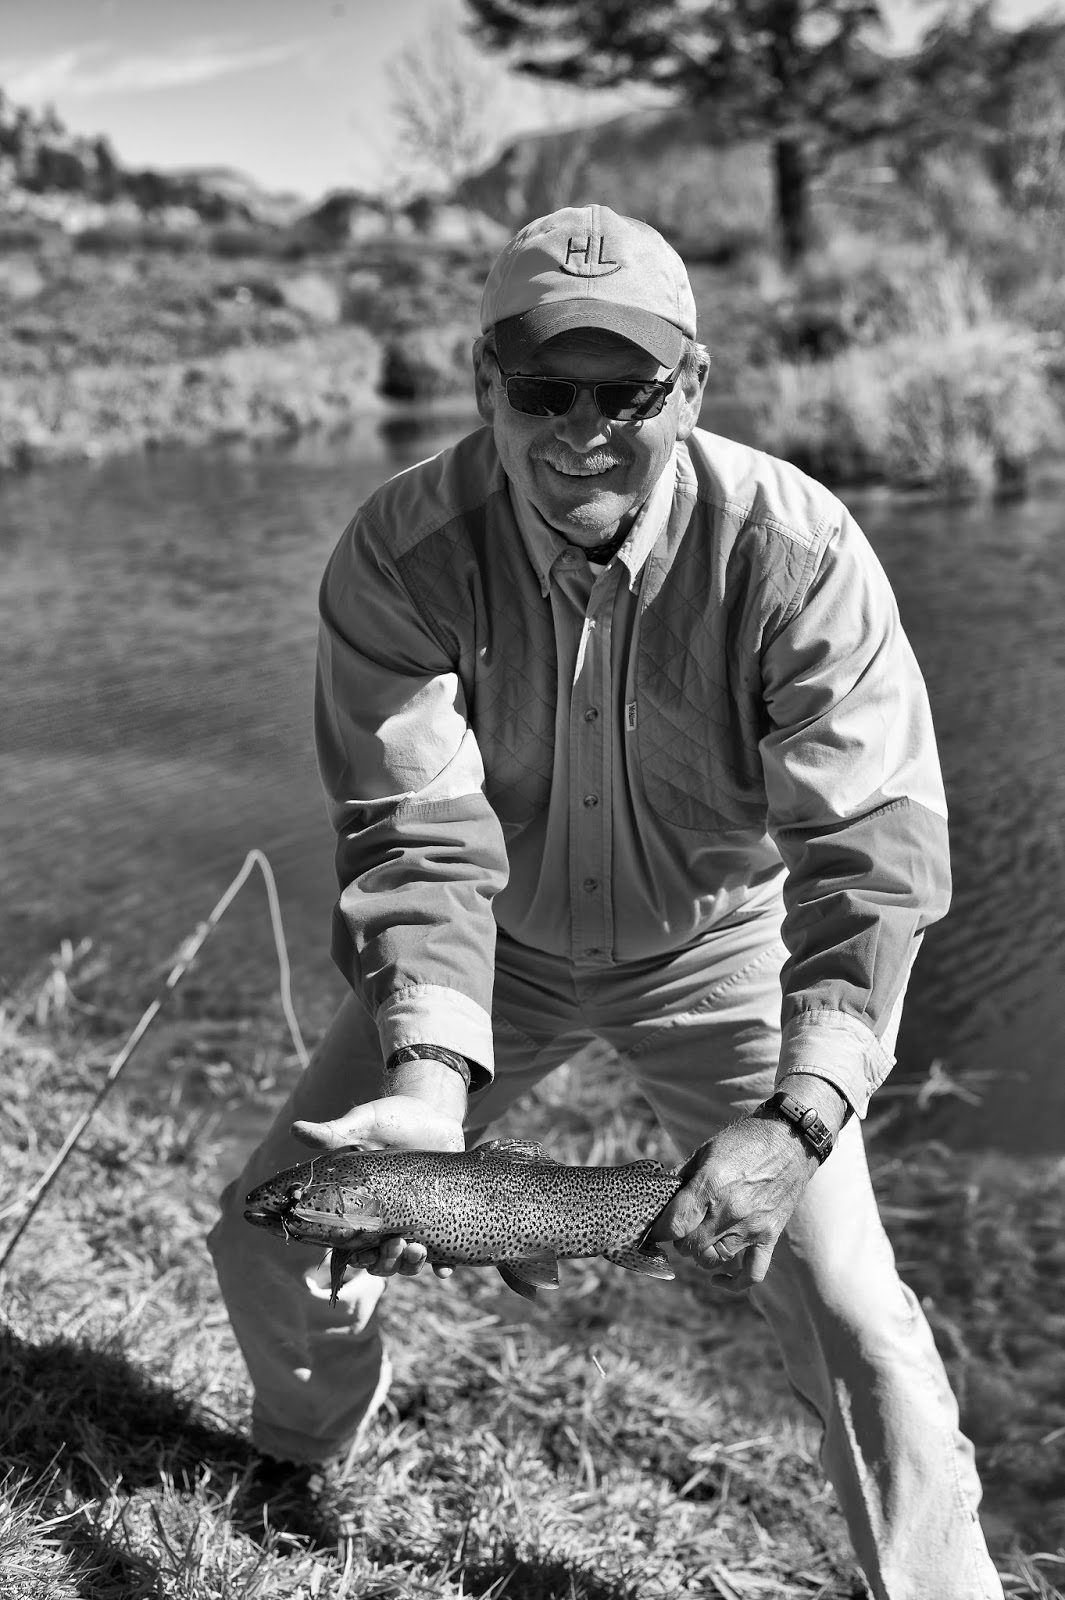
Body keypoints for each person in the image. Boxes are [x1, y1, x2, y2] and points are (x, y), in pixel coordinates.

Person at [208, 204, 1003, 1600]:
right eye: (541, 387)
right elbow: (415, 833)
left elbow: (868, 852)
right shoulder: (401, 551)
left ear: (691, 386)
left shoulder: (797, 552)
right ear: (482, 383)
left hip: (719, 951)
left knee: (858, 1325)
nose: (581, 429)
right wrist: (428, 1094)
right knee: (266, 1234)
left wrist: (799, 1115)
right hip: (493, 957)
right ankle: (299, 1454)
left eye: (624, 392)